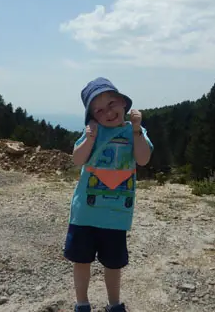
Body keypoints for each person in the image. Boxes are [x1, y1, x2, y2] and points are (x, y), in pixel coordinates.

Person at [63, 77, 154, 312]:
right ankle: (82, 303)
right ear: (92, 116)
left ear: (123, 102)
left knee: (114, 264)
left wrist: (136, 131)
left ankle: (114, 303)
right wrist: (90, 137)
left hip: (115, 215)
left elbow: (143, 159)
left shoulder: (136, 132)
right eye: (99, 110)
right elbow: (77, 159)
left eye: (111, 103)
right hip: (85, 212)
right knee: (81, 260)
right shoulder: (92, 132)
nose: (108, 112)